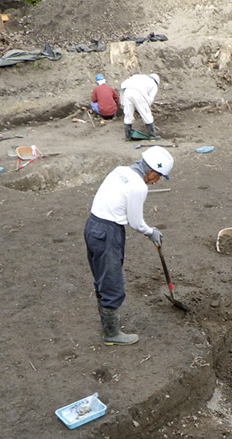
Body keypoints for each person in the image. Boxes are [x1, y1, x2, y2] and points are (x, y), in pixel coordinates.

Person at [84, 146, 174, 345]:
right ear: (152, 171)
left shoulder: (120, 170)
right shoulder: (138, 186)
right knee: (112, 285)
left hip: (92, 226)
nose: (157, 181)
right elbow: (136, 222)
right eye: (158, 176)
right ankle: (111, 334)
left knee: (103, 277)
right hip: (108, 232)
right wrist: (151, 232)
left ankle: (109, 323)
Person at [120, 73, 161, 141]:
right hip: (139, 93)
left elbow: (123, 85)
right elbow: (150, 98)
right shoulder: (154, 84)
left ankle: (128, 137)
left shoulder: (139, 77)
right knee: (147, 115)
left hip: (127, 92)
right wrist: (145, 108)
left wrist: (123, 102)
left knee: (128, 114)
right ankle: (152, 136)